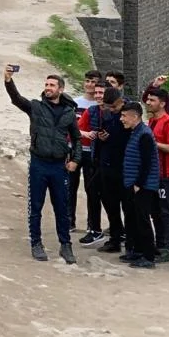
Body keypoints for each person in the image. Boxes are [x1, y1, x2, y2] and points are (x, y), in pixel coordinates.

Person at [4, 66, 82, 264]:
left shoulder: (69, 113)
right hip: (39, 163)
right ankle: (36, 244)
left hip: (59, 166)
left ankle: (66, 245)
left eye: (52, 85)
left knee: (62, 208)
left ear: (60, 89)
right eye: (46, 84)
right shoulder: (36, 107)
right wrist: (8, 80)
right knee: (36, 206)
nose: (48, 88)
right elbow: (16, 99)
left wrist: (75, 160)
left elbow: (77, 138)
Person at [120, 102, 159, 268]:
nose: (122, 119)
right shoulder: (135, 132)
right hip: (134, 182)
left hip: (143, 186)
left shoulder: (144, 134)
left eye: (124, 116)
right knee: (134, 219)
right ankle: (138, 251)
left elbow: (147, 162)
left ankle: (149, 257)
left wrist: (139, 183)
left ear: (135, 116)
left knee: (143, 220)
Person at [144, 88, 169, 262]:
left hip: (167, 175)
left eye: (152, 100)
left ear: (162, 103)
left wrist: (154, 143)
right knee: (156, 211)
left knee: (167, 212)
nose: (148, 102)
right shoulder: (152, 121)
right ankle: (160, 245)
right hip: (154, 174)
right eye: (148, 99)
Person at [95, 87, 130, 253]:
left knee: (128, 207)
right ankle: (115, 237)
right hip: (107, 165)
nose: (112, 110)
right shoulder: (107, 114)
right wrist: (102, 138)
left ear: (121, 101)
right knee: (110, 204)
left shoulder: (129, 114)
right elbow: (103, 135)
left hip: (124, 167)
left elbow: (129, 140)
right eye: (109, 107)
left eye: (114, 107)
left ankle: (130, 241)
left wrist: (112, 138)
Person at [72, 71, 102, 238]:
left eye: (94, 82)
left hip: (92, 152)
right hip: (75, 149)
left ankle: (92, 224)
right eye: (88, 81)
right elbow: (69, 126)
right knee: (70, 187)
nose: (90, 85)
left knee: (92, 190)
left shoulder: (100, 105)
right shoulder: (75, 102)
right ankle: (69, 221)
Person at [78, 80, 107, 245]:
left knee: (114, 199)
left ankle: (121, 233)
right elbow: (76, 129)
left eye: (101, 93)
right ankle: (94, 229)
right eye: (96, 93)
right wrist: (87, 134)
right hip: (95, 159)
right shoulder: (92, 111)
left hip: (115, 162)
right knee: (92, 193)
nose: (97, 96)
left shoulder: (119, 112)